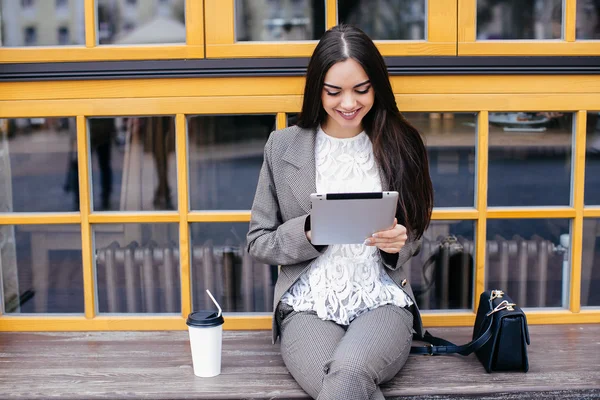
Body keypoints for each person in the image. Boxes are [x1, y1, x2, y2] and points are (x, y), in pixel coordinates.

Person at [247, 24, 433, 400]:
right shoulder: (283, 147)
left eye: (361, 90)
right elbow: (258, 241)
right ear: (317, 89)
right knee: (346, 383)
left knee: (348, 373)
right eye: (334, 91)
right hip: (307, 305)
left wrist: (397, 243)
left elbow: (414, 233)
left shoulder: (401, 142)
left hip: (382, 300)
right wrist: (310, 232)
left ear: (377, 85)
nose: (348, 103)